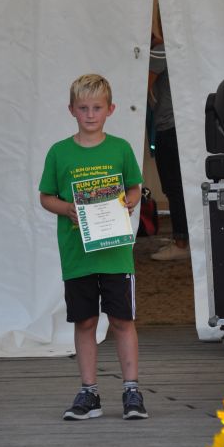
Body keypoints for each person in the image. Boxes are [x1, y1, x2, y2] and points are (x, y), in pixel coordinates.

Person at [39, 74, 148, 421]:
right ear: (71, 110)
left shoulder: (121, 149)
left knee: (122, 320)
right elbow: (46, 197)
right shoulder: (59, 152)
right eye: (83, 108)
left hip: (116, 254)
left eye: (97, 108)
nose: (90, 114)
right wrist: (67, 208)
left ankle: (131, 390)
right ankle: (89, 392)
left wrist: (129, 201)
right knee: (85, 321)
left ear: (110, 109)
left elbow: (135, 187)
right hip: (78, 256)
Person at [147, 28, 190, 261]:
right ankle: (183, 239)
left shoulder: (161, 50)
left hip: (169, 127)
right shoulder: (180, 48)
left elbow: (143, 85)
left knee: (174, 188)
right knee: (179, 187)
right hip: (181, 125)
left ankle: (181, 243)